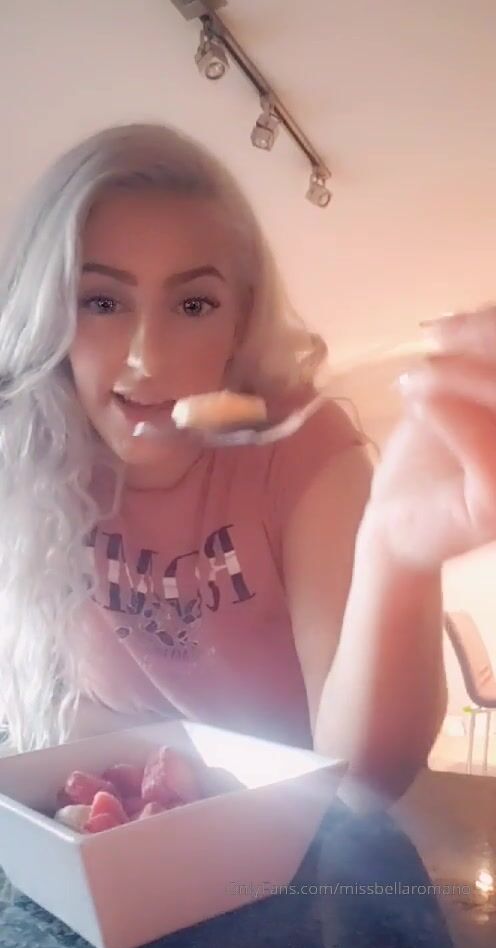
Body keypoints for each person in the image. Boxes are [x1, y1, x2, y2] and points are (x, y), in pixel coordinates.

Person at [0, 121, 493, 814]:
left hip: (298, 838)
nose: (147, 356)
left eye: (193, 304)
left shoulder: (304, 452)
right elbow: (81, 721)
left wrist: (397, 552)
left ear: (239, 321)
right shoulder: (34, 456)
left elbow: (362, 781)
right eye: (102, 302)